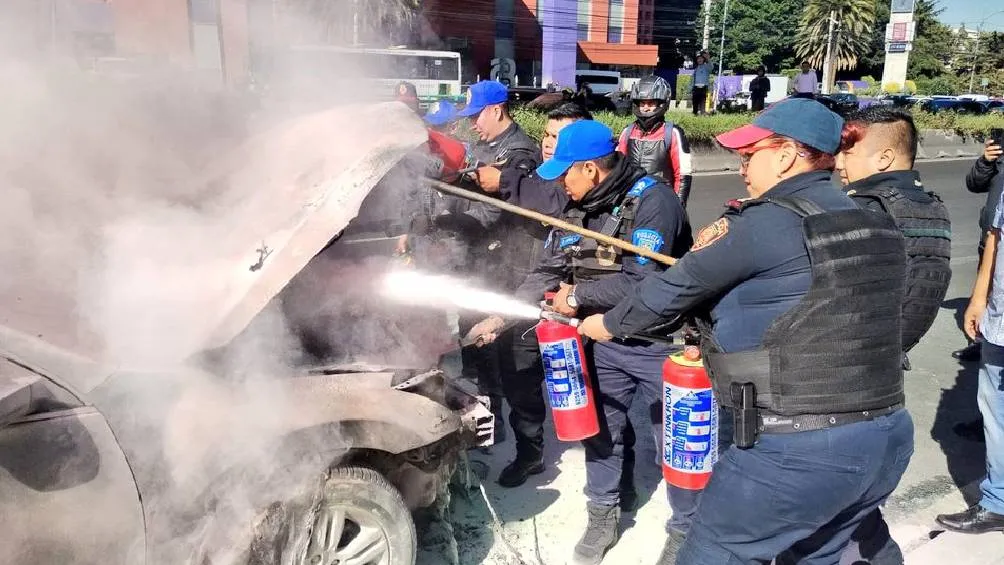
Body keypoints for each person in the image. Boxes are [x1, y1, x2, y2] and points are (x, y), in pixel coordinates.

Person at [578, 98, 914, 564]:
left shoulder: (762, 221)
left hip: (795, 451)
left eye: (749, 155)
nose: (741, 168)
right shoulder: (875, 221)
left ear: (787, 155)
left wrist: (608, 324)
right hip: (886, 437)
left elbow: (668, 292)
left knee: (712, 555)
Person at [467, 120, 692, 565]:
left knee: (678, 445)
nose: (560, 185)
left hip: (659, 344)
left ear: (590, 168)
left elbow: (642, 281)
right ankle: (603, 513)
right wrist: (501, 315)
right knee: (601, 432)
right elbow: (547, 271)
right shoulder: (578, 206)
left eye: (565, 173)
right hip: (602, 340)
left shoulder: (654, 202)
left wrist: (576, 297)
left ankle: (686, 529)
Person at [835, 105, 951, 565]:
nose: (838, 163)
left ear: (884, 157)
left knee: (838, 500)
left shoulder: (864, 208)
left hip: (846, 371)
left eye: (848, 152)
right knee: (856, 500)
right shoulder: (930, 206)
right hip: (887, 367)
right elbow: (924, 291)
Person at [465, 102, 593, 488]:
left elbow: (548, 202)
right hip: (520, 290)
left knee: (581, 386)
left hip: (565, 298)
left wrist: (505, 180)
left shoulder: (574, 186)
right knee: (520, 379)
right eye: (548, 135)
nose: (551, 144)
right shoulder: (538, 174)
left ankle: (601, 461)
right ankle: (530, 452)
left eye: (561, 137)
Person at [422, 80, 541, 447]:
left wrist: (448, 230)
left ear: (496, 110)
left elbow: (492, 213)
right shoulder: (480, 147)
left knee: (506, 357)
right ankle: (488, 419)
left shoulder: (519, 153)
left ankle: (521, 440)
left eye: (477, 116)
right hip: (474, 262)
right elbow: (462, 192)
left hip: (504, 264)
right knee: (476, 347)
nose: (472, 123)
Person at [934, 143, 1004, 536]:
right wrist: (979, 298)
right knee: (995, 410)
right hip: (1000, 317)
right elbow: (995, 234)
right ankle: (998, 503)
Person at [954, 138, 1004, 362]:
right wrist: (986, 161)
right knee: (983, 293)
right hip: (990, 238)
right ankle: (980, 341)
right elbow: (974, 184)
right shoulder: (999, 157)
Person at [617, 75, 694, 207]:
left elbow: (682, 176)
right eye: (642, 103)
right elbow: (617, 170)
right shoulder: (627, 132)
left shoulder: (673, 133)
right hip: (630, 203)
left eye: (651, 103)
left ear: (661, 104)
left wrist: (677, 208)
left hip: (660, 204)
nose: (646, 108)